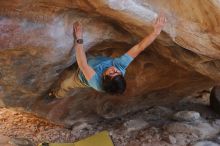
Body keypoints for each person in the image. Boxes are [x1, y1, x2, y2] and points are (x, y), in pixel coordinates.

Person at [48, 15, 166, 99]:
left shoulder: (96, 82)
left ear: (104, 78)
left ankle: (56, 94)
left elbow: (83, 64)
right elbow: (139, 47)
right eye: (117, 73)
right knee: (90, 58)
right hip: (95, 61)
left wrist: (79, 38)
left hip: (81, 76)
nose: (114, 70)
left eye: (111, 74)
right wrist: (155, 32)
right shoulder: (120, 67)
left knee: (66, 84)